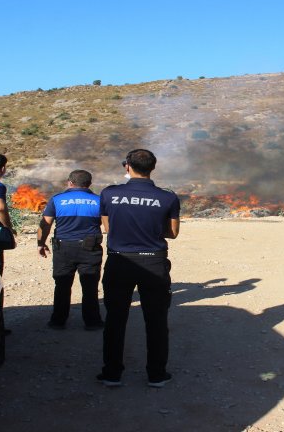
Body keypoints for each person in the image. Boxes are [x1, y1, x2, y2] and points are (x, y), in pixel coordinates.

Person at [96, 149, 180, 388]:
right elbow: (172, 233)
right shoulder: (167, 197)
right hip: (153, 261)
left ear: (127, 167)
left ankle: (112, 373)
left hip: (119, 261)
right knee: (156, 320)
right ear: (153, 168)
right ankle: (156, 374)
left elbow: (108, 228)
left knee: (115, 318)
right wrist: (153, 231)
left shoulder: (110, 193)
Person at [38, 169, 105, 331]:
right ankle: (92, 322)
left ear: (69, 182)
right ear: (89, 184)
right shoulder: (99, 201)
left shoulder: (57, 199)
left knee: (62, 284)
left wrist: (40, 243)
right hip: (90, 248)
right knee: (90, 286)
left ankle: (58, 321)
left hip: (63, 247)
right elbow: (108, 227)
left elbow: (45, 224)